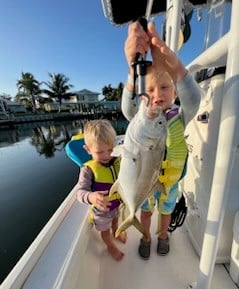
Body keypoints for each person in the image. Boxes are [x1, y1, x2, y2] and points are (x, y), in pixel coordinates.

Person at [121, 21, 202, 259]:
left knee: (166, 211)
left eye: (165, 87)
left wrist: (177, 69)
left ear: (175, 92)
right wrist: (132, 73)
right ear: (143, 94)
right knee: (145, 211)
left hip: (170, 183)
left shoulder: (180, 114)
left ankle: (163, 235)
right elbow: (128, 109)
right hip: (145, 181)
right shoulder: (141, 117)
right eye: (152, 89)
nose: (158, 95)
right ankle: (146, 235)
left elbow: (194, 100)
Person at [75, 119, 127, 261]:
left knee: (116, 220)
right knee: (105, 231)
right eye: (100, 152)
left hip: (117, 205)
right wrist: (91, 197)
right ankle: (109, 245)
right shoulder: (87, 170)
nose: (106, 155)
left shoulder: (118, 160)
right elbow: (80, 192)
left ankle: (116, 230)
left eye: (110, 150)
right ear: (88, 149)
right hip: (101, 211)